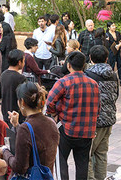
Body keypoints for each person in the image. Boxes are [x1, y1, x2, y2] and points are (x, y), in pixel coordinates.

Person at [46, 51, 99, 180]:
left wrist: (54, 114)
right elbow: (98, 109)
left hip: (67, 128)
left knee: (61, 161)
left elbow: (49, 102)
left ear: (69, 65)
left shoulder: (63, 82)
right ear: (84, 65)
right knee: (82, 165)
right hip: (87, 131)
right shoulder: (94, 84)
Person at [0, 81, 58, 179]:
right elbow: (32, 139)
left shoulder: (25, 128)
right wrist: (16, 125)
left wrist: (5, 152)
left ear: (22, 102)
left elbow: (20, 167)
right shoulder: (51, 123)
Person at [84, 45, 118, 180]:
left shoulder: (88, 75)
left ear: (90, 58)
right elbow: (116, 95)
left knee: (87, 155)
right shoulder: (113, 75)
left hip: (94, 121)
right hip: (109, 119)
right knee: (102, 154)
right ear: (106, 58)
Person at [0, 49, 28, 125]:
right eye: (24, 60)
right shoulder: (20, 78)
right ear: (19, 62)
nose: (24, 63)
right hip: (17, 114)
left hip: (6, 112)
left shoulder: (3, 74)